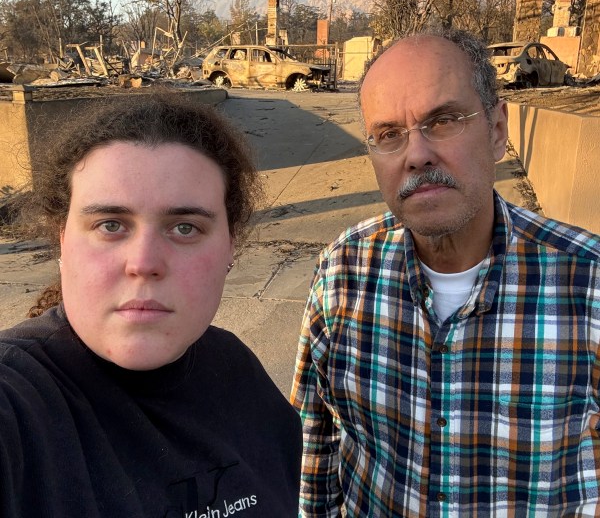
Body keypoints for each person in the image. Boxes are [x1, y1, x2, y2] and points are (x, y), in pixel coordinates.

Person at [290, 29, 600, 516]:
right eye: (389, 135)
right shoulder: (343, 273)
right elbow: (316, 447)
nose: (416, 155)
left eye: (444, 120)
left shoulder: (588, 284)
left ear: (497, 130)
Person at [0, 92, 302, 517]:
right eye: (110, 225)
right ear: (62, 240)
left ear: (231, 246)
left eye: (184, 227)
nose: (143, 263)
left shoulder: (236, 371)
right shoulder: (18, 402)